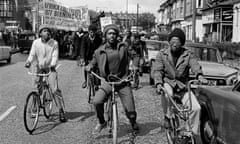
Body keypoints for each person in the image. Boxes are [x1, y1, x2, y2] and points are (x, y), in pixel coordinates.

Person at [152, 28, 207, 136]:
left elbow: (195, 65)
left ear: (182, 43)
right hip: (168, 82)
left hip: (183, 85)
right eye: (172, 41)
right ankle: (167, 116)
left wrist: (199, 75)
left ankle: (190, 133)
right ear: (169, 42)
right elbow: (157, 70)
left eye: (177, 41)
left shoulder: (188, 54)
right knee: (168, 94)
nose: (175, 44)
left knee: (196, 108)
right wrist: (158, 83)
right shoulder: (162, 54)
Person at [86, 24, 139, 134]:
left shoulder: (123, 47)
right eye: (110, 33)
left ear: (117, 35)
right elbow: (93, 62)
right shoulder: (99, 51)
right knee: (97, 101)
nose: (112, 36)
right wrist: (90, 66)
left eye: (114, 33)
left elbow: (135, 56)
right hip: (108, 82)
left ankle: (133, 121)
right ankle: (101, 122)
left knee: (131, 110)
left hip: (123, 81)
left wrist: (135, 65)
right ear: (105, 35)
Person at [24, 25, 67, 122]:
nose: (47, 32)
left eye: (48, 31)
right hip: (38, 67)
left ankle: (61, 110)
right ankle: (34, 108)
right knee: (36, 88)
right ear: (40, 33)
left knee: (55, 89)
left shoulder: (54, 43)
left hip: (50, 68)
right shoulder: (36, 42)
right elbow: (32, 54)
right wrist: (28, 62)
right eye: (44, 31)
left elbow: (55, 56)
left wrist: (52, 65)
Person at [79, 24, 102, 88]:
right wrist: (82, 58)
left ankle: (97, 83)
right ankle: (86, 81)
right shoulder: (84, 38)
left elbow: (100, 48)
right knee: (86, 69)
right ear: (89, 31)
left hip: (95, 56)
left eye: (94, 32)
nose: (92, 33)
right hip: (87, 56)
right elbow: (82, 48)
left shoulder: (99, 39)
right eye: (91, 32)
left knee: (97, 69)